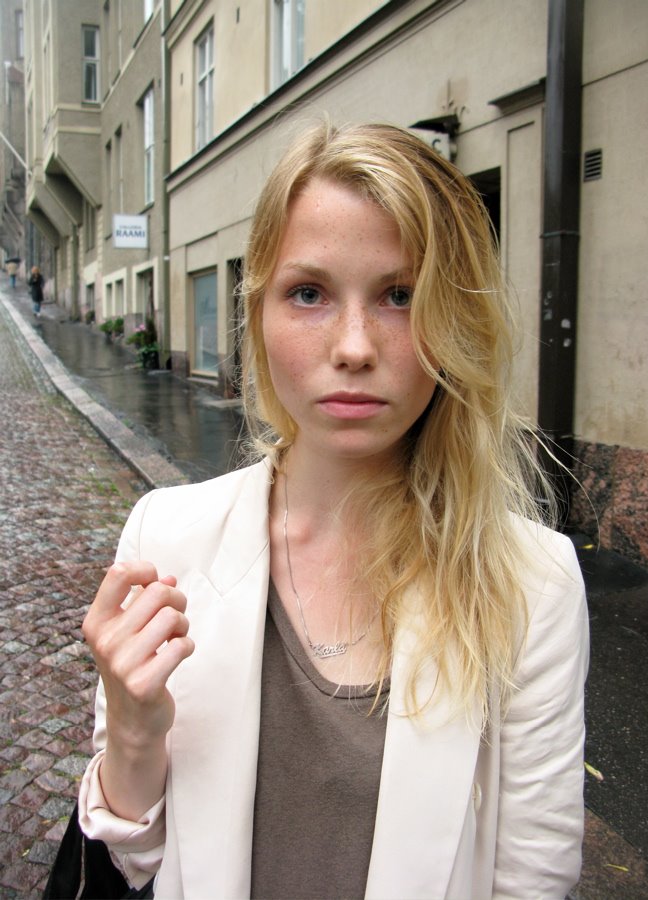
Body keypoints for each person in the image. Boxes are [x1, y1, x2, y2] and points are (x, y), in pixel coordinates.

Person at [78, 122, 589, 899]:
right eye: (309, 294)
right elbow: (138, 859)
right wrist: (132, 731)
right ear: (259, 315)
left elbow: (532, 879)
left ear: (456, 319)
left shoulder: (530, 586)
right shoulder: (168, 538)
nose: (353, 346)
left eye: (399, 296)